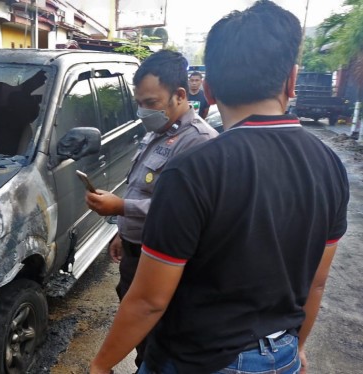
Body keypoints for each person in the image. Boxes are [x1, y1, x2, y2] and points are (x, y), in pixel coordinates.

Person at [89, 1, 349, 373]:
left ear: (207, 89)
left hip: (199, 360)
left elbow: (149, 300)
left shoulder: (193, 170)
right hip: (281, 356)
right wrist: (298, 348)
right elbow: (317, 283)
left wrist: (100, 366)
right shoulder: (330, 166)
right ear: (291, 80)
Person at [84, 49, 218, 370]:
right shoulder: (157, 131)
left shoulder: (198, 143)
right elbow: (140, 186)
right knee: (140, 331)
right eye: (140, 103)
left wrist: (120, 206)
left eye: (152, 103)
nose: (144, 111)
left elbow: (178, 210)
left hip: (159, 260)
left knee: (155, 335)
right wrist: (121, 226)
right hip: (134, 250)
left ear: (180, 95)